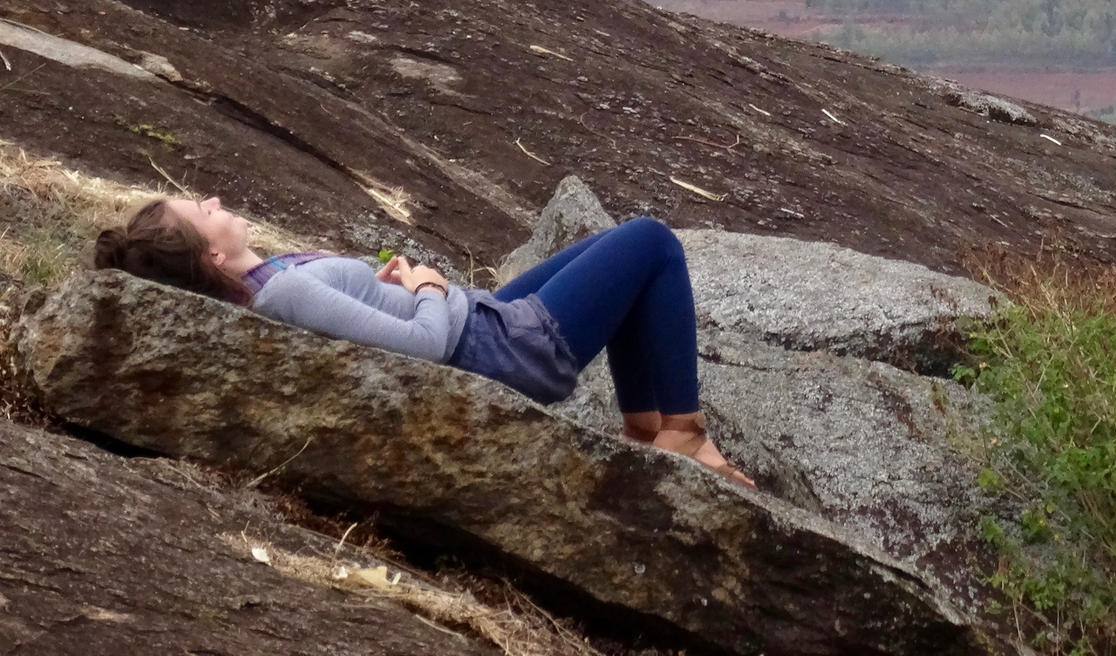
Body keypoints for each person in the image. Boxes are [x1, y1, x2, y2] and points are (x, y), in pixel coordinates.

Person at [93, 195, 751, 487]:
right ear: (210, 257)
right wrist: (430, 286)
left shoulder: (270, 280)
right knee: (651, 243)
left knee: (612, 249)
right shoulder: (279, 295)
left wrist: (387, 287)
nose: (213, 200)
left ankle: (645, 430)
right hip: (505, 351)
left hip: (487, 320)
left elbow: (370, 323)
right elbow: (424, 352)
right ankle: (683, 432)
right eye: (201, 211)